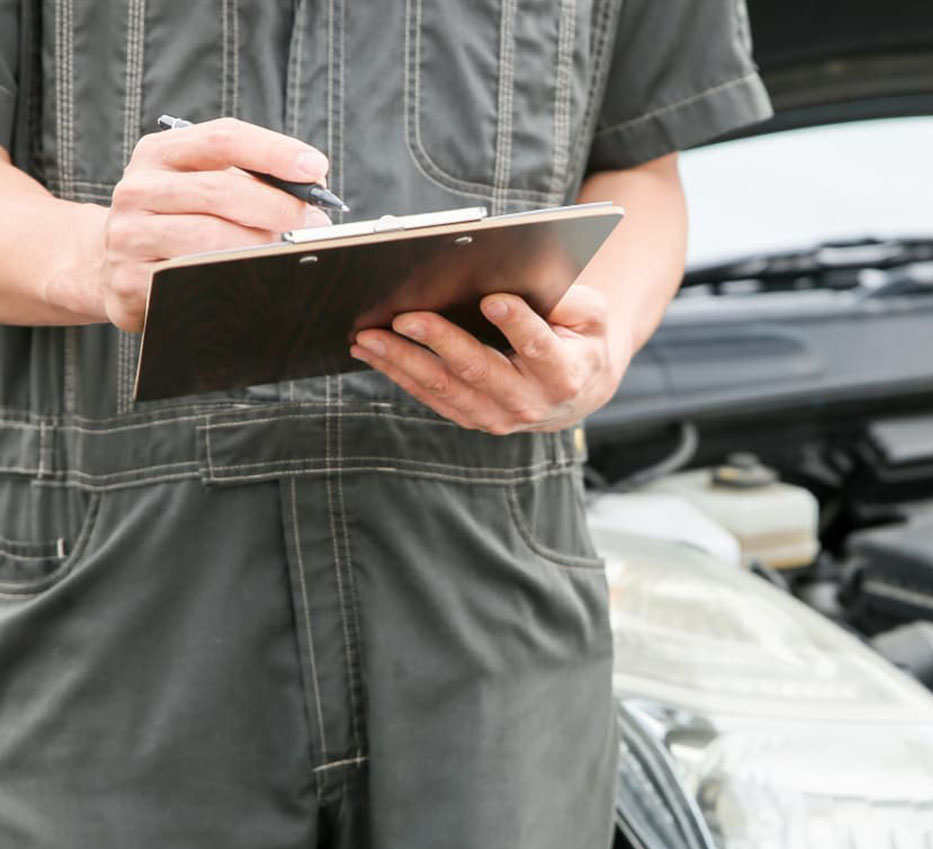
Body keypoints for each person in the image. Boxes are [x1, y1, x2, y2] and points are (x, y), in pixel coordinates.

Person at [0, 1, 771, 847]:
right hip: (108, 607)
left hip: (494, 626)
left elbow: (641, 170)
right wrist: (90, 253)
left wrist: (600, 345)